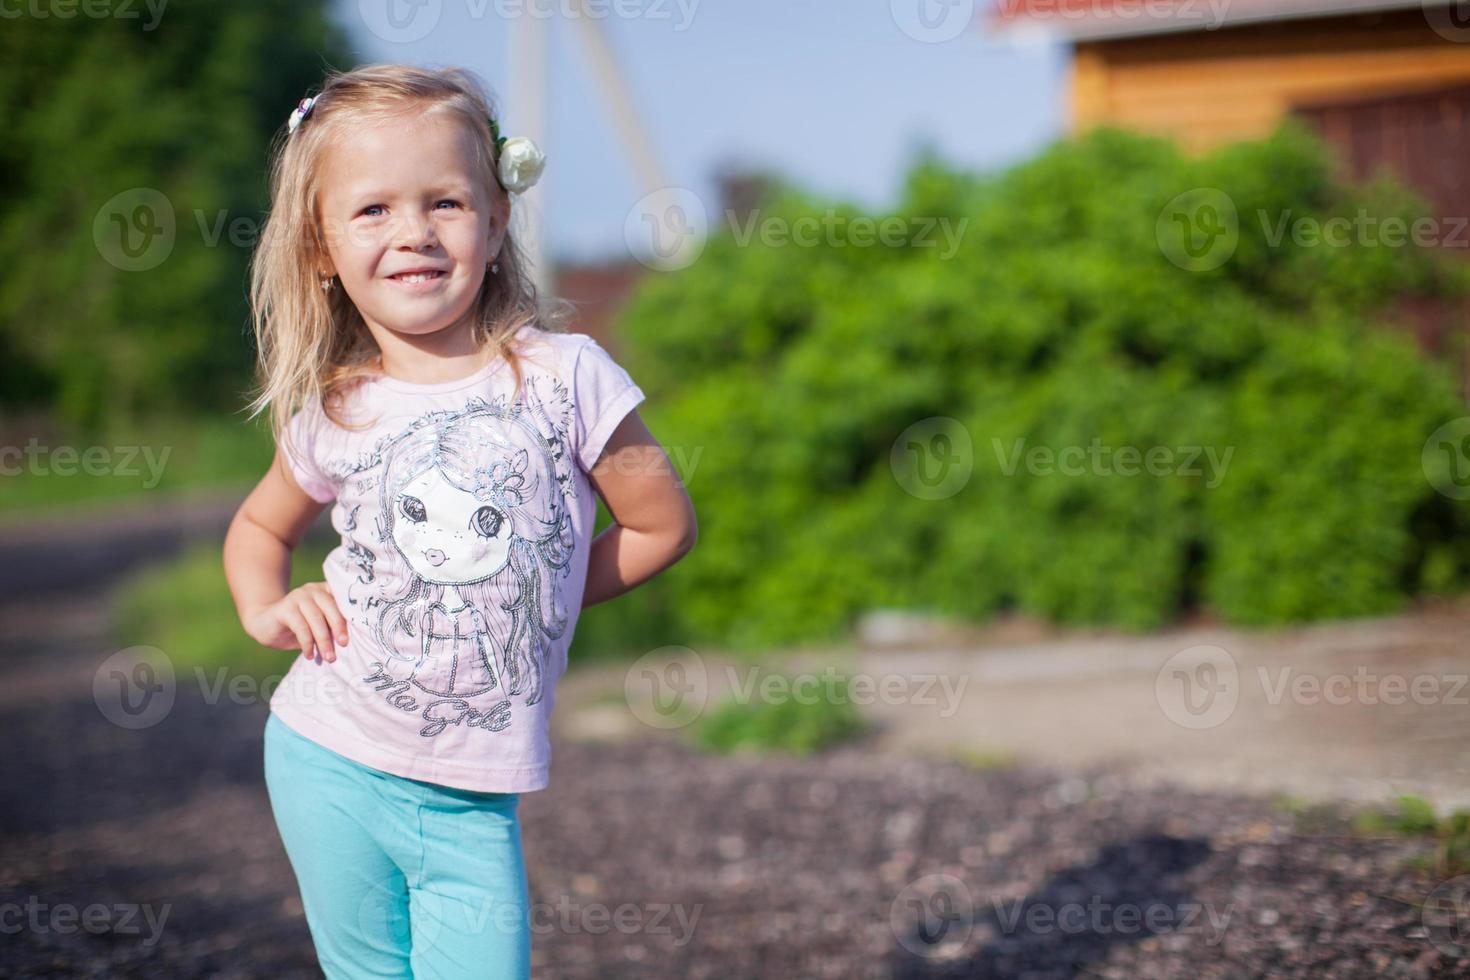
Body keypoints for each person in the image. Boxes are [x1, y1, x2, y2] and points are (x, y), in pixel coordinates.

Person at [220, 63, 697, 979]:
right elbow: (258, 529)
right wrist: (264, 609)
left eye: (444, 202)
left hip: (473, 798)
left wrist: (540, 600)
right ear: (321, 246)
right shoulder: (337, 407)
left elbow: (660, 525)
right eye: (373, 211)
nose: (414, 234)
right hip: (327, 756)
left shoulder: (568, 377)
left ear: (496, 217)